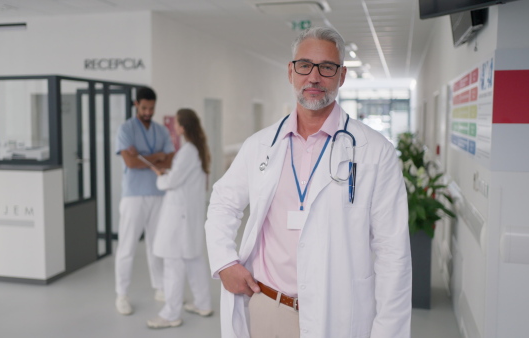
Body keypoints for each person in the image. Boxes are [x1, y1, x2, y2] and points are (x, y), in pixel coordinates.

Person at [205, 27, 412, 338]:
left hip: (340, 315)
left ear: (341, 76)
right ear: (291, 72)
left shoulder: (375, 151)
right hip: (269, 308)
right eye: (304, 65)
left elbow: (393, 252)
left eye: (327, 67)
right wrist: (224, 262)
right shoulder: (260, 145)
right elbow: (223, 201)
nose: (314, 77)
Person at [144, 109, 214, 328]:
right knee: (193, 258)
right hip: (189, 214)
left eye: (176, 123)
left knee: (172, 262)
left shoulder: (187, 151)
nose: (174, 126)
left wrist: (160, 177)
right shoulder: (198, 150)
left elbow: (172, 182)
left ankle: (171, 313)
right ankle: (203, 303)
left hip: (179, 215)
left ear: (182, 127)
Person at [114, 86, 175, 315]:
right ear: (136, 104)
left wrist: (143, 156)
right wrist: (157, 157)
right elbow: (130, 163)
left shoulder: (160, 130)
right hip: (133, 196)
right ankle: (121, 294)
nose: (149, 111)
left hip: (158, 194)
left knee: (156, 244)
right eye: (145, 107)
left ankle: (160, 287)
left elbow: (170, 160)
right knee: (127, 246)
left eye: (152, 108)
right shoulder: (126, 129)